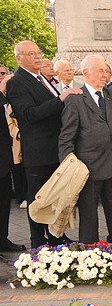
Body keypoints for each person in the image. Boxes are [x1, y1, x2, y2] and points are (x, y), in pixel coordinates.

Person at [57, 55, 112, 245]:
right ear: (86, 72)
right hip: (87, 166)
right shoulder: (76, 99)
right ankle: (89, 246)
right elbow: (67, 136)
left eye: (107, 71)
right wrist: (68, 165)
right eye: (100, 71)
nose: (105, 75)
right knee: (89, 210)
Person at [5, 40, 83, 248]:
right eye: (31, 54)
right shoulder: (16, 82)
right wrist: (61, 99)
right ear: (19, 58)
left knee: (58, 195)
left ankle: (57, 236)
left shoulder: (44, 79)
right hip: (38, 151)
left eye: (38, 52)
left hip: (56, 148)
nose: (38, 57)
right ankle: (38, 241)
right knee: (39, 198)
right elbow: (29, 114)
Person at [0, 73, 25, 252]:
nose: (5, 77)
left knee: (4, 202)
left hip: (4, 160)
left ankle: (3, 239)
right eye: (1, 74)